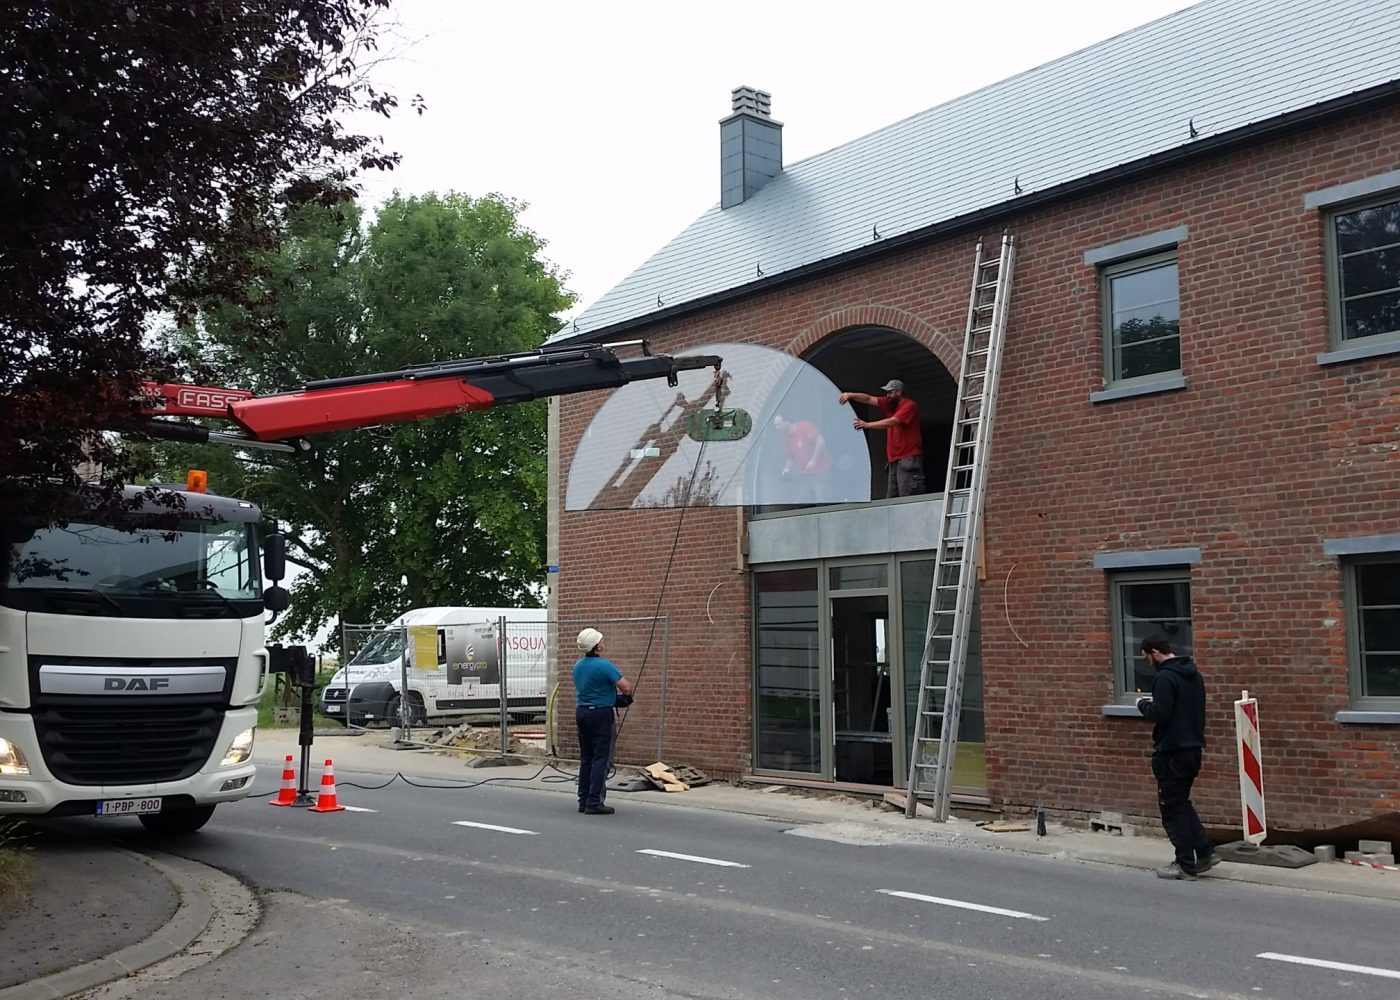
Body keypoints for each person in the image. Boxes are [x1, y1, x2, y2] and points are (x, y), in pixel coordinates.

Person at [1136, 633, 1219, 880]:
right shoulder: (1193, 675)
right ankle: (1205, 852)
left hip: (1171, 752)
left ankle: (1185, 864)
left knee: (1171, 808)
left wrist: (1142, 705)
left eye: (1146, 657)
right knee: (1181, 803)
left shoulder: (1165, 678)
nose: (1147, 662)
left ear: (1154, 652)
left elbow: (1162, 713)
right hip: (1192, 749)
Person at [572, 627, 632, 816]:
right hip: (601, 714)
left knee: (586, 757)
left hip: (582, 712)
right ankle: (594, 801)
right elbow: (626, 687)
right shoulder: (604, 665)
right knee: (601, 758)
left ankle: (583, 800)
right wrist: (620, 696)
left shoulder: (577, 666)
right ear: (596, 646)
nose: (603, 642)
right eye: (601, 640)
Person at [837, 379, 924, 498]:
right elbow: (868, 398)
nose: (887, 396)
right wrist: (850, 395)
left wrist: (867, 425)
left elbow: (892, 421)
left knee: (908, 494)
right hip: (894, 459)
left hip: (907, 457)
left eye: (890, 392)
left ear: (898, 392)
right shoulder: (890, 405)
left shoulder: (909, 405)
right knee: (893, 496)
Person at [772, 415, 833, 501]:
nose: (777, 428)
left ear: (787, 422)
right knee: (801, 501)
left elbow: (820, 441)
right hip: (805, 475)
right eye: (775, 426)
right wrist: (787, 469)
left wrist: (813, 461)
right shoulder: (785, 438)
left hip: (821, 472)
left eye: (778, 424)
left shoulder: (803, 426)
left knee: (823, 500)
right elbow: (790, 457)